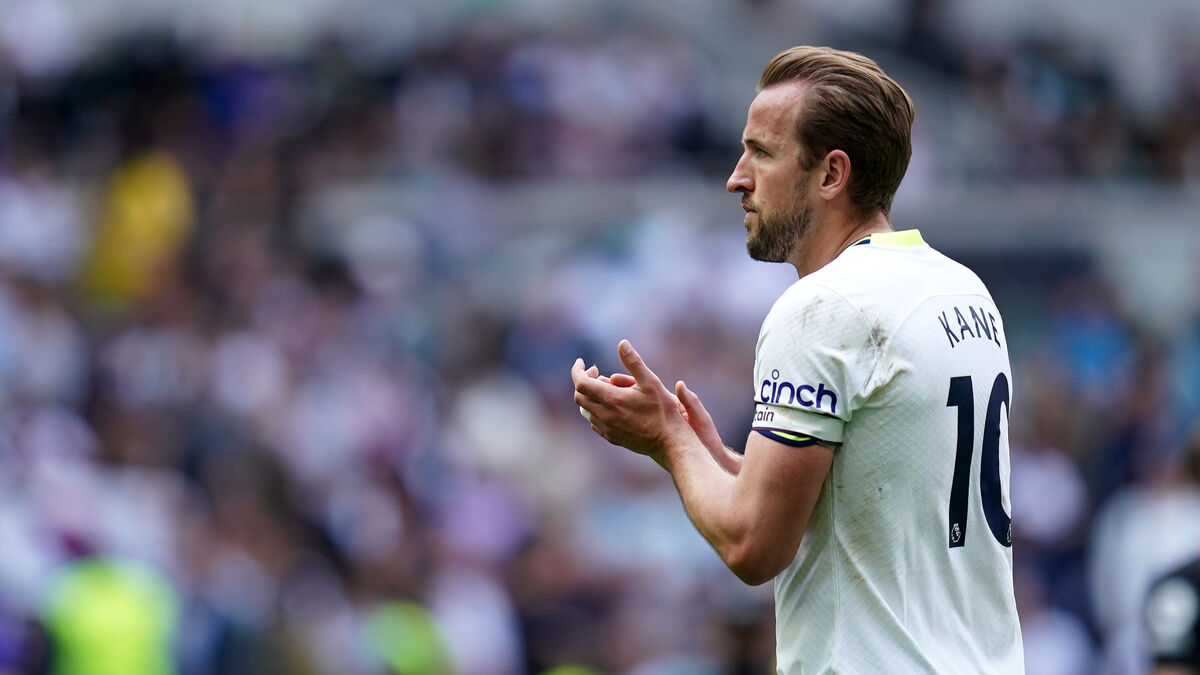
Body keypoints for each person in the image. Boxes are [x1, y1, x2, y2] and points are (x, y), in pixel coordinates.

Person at [571, 46, 1024, 673]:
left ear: (831, 174)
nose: (737, 178)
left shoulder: (823, 307)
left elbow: (754, 547)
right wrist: (724, 464)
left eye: (761, 152)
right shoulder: (963, 290)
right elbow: (878, 496)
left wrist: (667, 440)